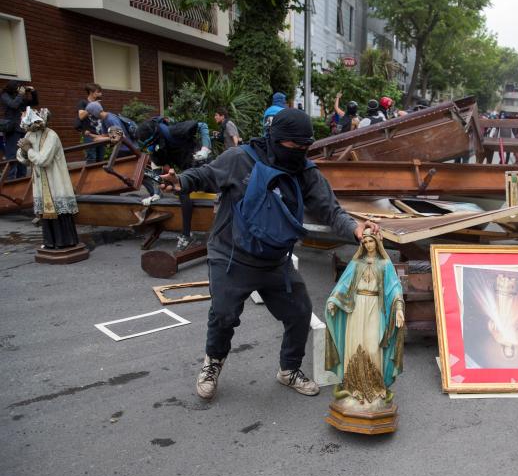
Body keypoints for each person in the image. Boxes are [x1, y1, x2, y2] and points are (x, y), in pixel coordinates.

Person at [157, 108, 380, 401]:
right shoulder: (240, 160)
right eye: (294, 146)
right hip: (231, 254)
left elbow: (330, 210)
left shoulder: (305, 171)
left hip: (275, 260)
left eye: (306, 146)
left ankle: (289, 370)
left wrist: (355, 230)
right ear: (275, 138)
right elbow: (207, 175)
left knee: (299, 313)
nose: (300, 152)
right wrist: (181, 182)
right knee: (224, 316)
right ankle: (212, 364)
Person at [324, 228, 404, 404]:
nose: (368, 245)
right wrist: (333, 300)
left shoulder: (385, 264)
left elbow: (395, 287)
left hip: (375, 307)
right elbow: (343, 285)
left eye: (371, 241)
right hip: (356, 307)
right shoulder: (356, 263)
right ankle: (353, 386)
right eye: (365, 242)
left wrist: (398, 307)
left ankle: (375, 386)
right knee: (354, 344)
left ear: (377, 242)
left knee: (372, 344)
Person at [135, 115, 212, 250]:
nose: (150, 149)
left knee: (217, 191)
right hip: (187, 171)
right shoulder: (155, 148)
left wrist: (205, 149)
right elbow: (157, 168)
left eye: (151, 145)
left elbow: (203, 126)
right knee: (182, 191)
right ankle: (187, 235)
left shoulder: (174, 131)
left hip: (202, 163)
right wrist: (156, 193)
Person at [16, 108, 80, 249]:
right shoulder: (30, 134)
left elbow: (44, 160)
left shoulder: (51, 135)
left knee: (59, 211)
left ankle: (65, 242)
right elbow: (22, 158)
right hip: (40, 181)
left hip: (54, 180)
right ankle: (50, 242)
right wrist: (24, 152)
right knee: (46, 213)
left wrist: (29, 150)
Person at [2, 80, 39, 179]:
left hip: (23, 129)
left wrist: (33, 92)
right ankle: (10, 179)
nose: (21, 89)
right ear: (13, 87)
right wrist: (20, 94)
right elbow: (13, 105)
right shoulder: (5, 95)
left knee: (23, 154)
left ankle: (21, 178)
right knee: (12, 155)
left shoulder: (21, 97)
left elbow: (35, 102)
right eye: (18, 87)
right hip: (12, 130)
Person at [75, 83, 105, 164]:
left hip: (100, 135)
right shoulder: (83, 102)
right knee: (91, 159)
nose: (100, 94)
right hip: (89, 135)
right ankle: (91, 176)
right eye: (98, 92)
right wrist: (91, 106)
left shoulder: (98, 103)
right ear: (91, 92)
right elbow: (81, 116)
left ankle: (100, 176)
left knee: (101, 158)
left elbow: (102, 118)